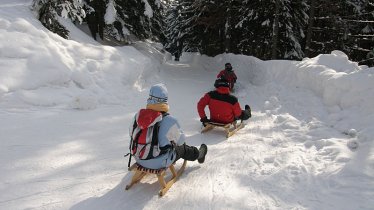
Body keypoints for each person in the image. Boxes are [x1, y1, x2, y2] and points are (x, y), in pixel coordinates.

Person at [129, 83, 208, 170]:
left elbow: (131, 133)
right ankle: (199, 154)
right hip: (158, 163)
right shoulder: (170, 120)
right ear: (165, 100)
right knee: (182, 148)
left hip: (138, 157)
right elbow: (181, 141)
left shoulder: (138, 115)